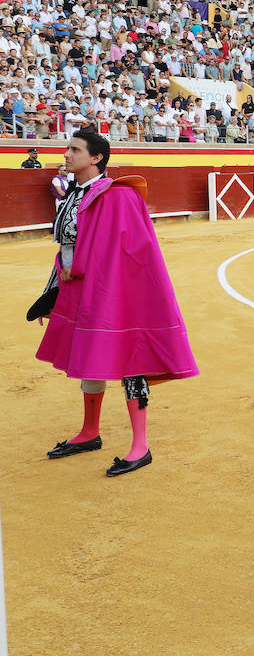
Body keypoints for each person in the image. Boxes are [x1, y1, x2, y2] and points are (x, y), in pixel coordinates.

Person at [34, 130, 198, 476]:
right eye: (67, 148)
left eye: (74, 149)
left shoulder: (118, 196)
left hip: (116, 292)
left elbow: (134, 252)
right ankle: (90, 432)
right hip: (81, 290)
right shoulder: (73, 196)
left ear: (96, 158)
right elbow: (65, 248)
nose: (66, 154)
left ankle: (141, 446)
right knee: (90, 358)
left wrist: (114, 294)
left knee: (130, 358)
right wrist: (52, 292)